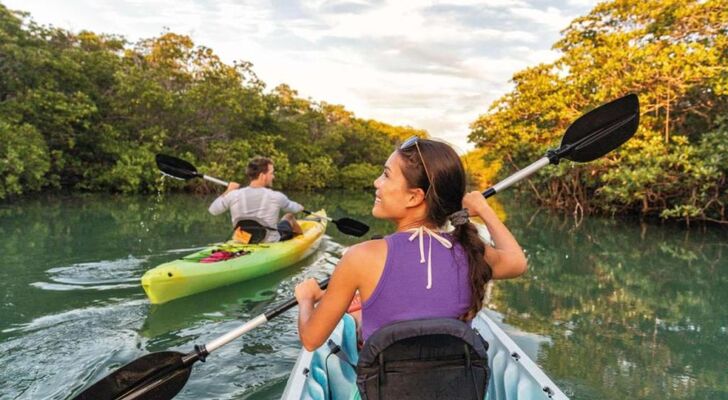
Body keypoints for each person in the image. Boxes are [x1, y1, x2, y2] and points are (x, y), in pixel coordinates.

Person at [294, 137, 527, 351]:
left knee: (357, 319)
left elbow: (311, 340)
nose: (376, 182)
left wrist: (306, 299)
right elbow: (517, 263)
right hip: (457, 387)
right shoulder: (471, 250)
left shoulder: (360, 257)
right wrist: (484, 210)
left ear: (414, 197)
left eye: (386, 175)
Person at [208, 156, 303, 243]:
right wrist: (300, 207)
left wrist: (228, 190)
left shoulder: (233, 195)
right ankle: (303, 242)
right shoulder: (276, 196)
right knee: (289, 216)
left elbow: (213, 210)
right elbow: (295, 209)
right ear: (262, 175)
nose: (273, 176)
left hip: (242, 240)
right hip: (269, 242)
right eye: (271, 173)